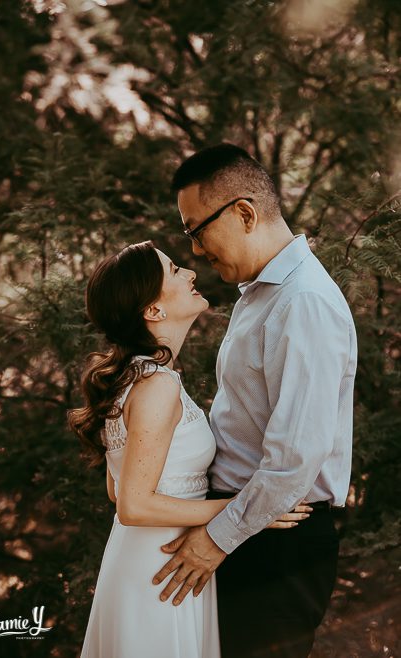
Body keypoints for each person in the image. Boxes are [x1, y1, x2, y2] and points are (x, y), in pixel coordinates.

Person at [152, 144, 358, 658]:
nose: (195, 250)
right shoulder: (262, 293)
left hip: (275, 544)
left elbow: (294, 459)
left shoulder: (303, 301)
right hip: (244, 524)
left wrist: (216, 538)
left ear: (244, 212)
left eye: (196, 230)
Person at [68, 241, 311, 658]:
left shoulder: (136, 378)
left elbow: (117, 489)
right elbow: (132, 506)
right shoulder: (156, 385)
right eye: (176, 270)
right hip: (160, 569)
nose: (191, 273)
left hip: (154, 559)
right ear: (153, 311)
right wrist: (249, 509)